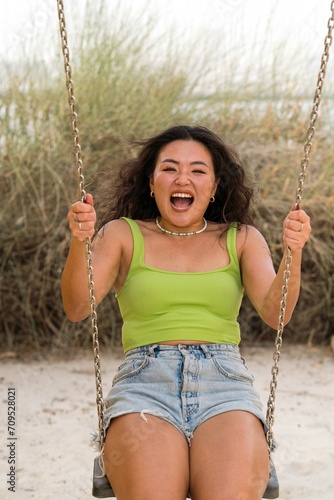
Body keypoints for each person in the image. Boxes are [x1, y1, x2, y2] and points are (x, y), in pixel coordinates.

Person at [61, 125, 311, 500]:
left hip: (225, 386)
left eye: (197, 170)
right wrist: (80, 242)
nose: (183, 179)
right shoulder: (121, 235)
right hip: (145, 387)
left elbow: (277, 315)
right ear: (151, 182)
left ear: (214, 187)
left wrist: (294, 251)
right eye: (169, 168)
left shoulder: (241, 238)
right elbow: (78, 307)